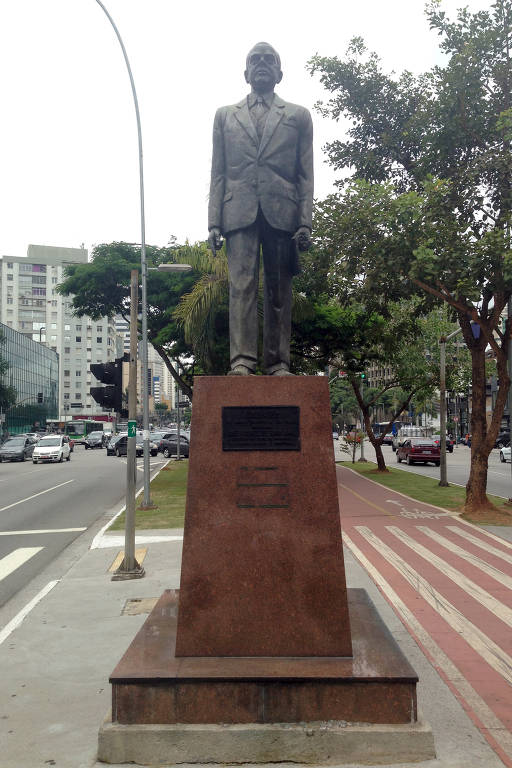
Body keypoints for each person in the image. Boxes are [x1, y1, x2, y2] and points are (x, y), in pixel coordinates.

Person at [208, 42, 314, 376]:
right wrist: (213, 221)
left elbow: (304, 174)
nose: (262, 65)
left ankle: (278, 362)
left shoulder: (298, 116)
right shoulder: (225, 116)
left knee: (279, 290)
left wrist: (305, 221)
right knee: (241, 288)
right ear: (245, 72)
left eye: (269, 61)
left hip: (282, 212)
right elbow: (218, 171)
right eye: (256, 60)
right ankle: (241, 361)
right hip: (237, 211)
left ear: (280, 73)